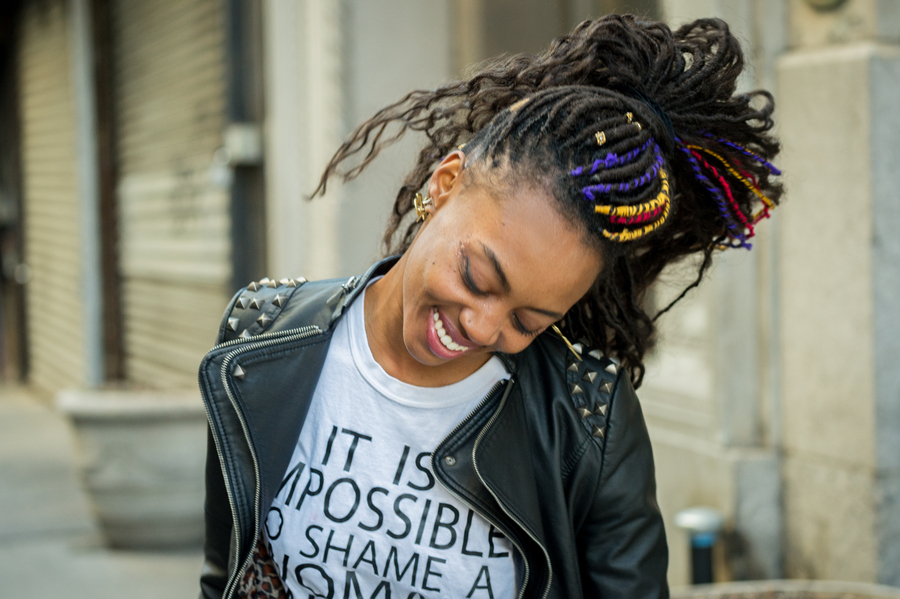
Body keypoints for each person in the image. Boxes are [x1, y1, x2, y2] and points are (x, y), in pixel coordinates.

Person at [198, 14, 782, 599]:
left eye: (528, 321)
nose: (480, 327)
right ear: (444, 183)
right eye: (477, 277)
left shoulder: (590, 422)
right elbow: (224, 575)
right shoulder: (262, 334)